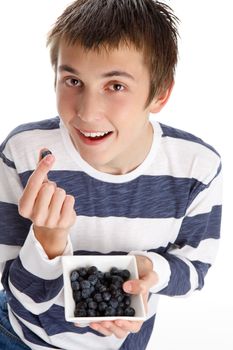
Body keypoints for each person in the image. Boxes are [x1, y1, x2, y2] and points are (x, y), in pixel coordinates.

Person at [0, 0, 222, 349]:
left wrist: (150, 269)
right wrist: (47, 241)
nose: (87, 112)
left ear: (160, 94)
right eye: (72, 80)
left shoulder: (197, 169)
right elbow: (20, 295)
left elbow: (195, 271)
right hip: (22, 337)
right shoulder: (25, 153)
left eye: (115, 86)